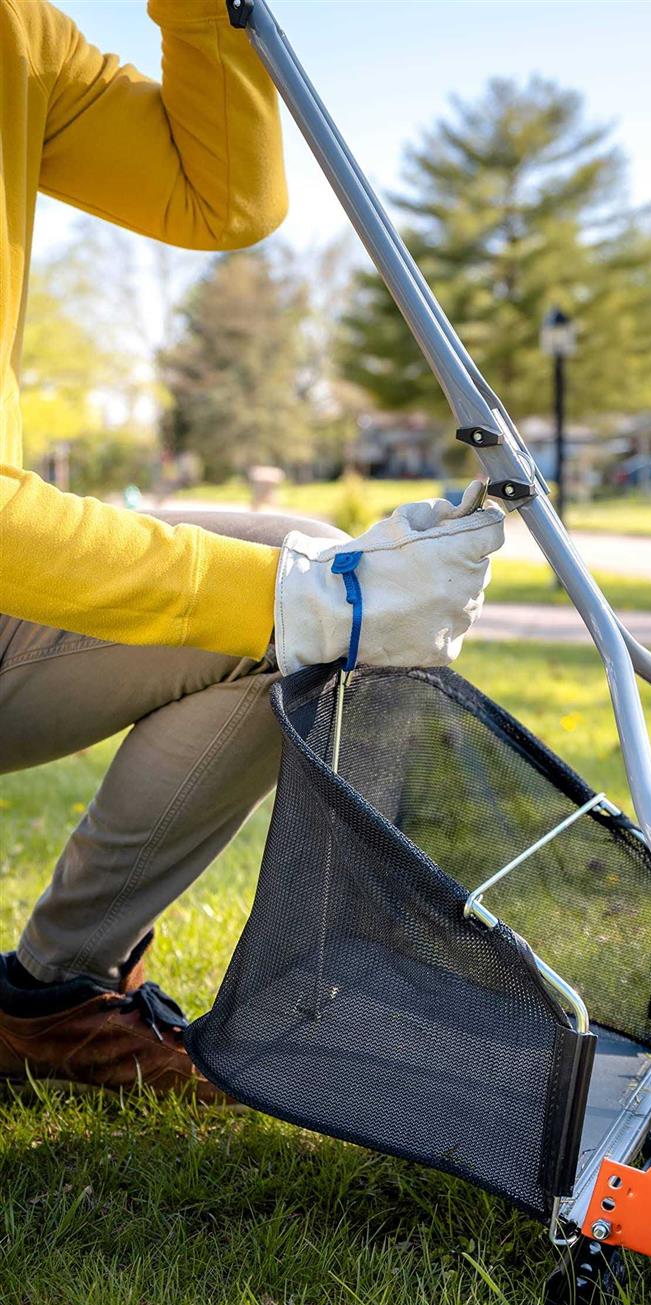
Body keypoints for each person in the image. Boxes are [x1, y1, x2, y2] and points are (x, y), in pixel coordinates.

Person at [0, 0, 504, 1099]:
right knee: (302, 598)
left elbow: (219, 196)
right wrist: (317, 605)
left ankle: (48, 997)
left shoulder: (17, 35)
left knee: (302, 566)